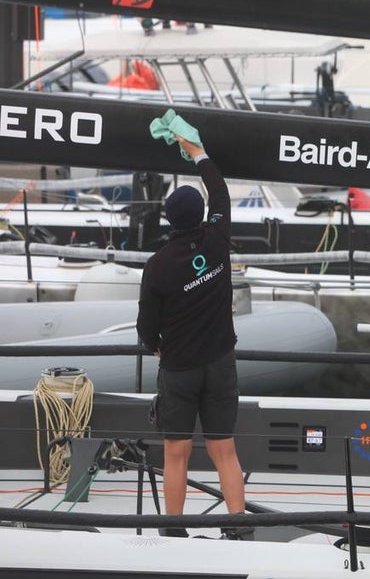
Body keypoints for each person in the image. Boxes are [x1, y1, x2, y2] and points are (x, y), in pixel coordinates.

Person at [136, 134, 250, 540]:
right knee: (224, 450)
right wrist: (199, 152)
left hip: (179, 367)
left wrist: (157, 347)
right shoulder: (217, 240)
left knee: (176, 452)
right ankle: (237, 528)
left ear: (168, 221)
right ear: (202, 214)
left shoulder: (158, 266)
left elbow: (146, 326)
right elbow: (219, 191)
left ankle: (174, 530)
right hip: (221, 363)